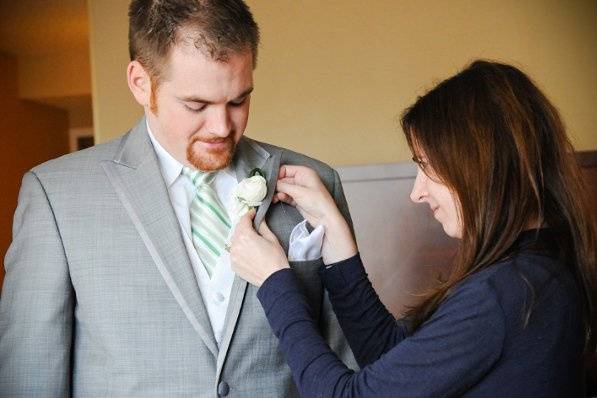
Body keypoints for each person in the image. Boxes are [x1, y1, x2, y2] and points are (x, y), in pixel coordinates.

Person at [0, 1, 355, 396]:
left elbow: (346, 359)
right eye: (196, 105)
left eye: (238, 101)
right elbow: (30, 377)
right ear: (140, 83)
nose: (222, 127)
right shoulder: (56, 195)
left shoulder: (316, 182)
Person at [230, 60, 596, 397]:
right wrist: (335, 234)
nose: (416, 192)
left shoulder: (504, 294)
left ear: (479, 166)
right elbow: (390, 356)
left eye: (427, 166)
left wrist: (275, 281)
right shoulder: (540, 268)